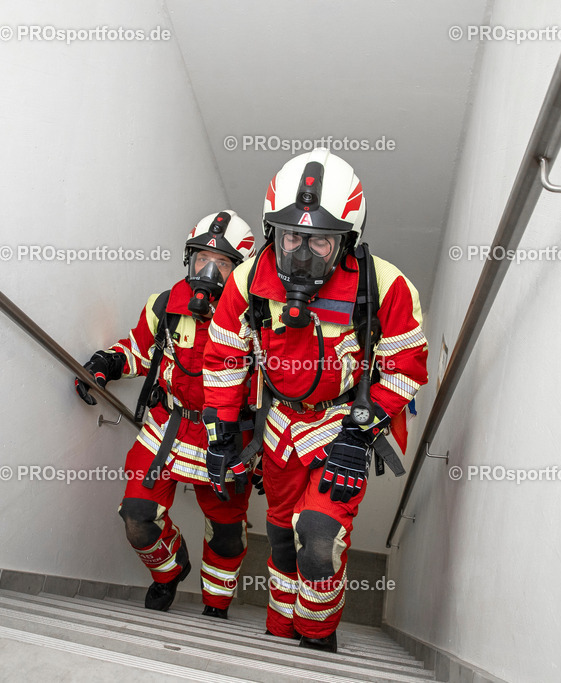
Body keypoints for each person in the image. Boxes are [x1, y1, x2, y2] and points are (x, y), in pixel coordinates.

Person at [202, 149, 429, 651]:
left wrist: (359, 434)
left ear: (347, 239)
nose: (301, 255)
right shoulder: (247, 283)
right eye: (290, 238)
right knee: (282, 536)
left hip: (343, 426)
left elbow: (406, 367)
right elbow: (224, 359)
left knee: (319, 538)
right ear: (271, 232)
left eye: (320, 241)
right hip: (280, 426)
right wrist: (220, 434)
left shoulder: (385, 286)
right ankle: (280, 629)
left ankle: (317, 635)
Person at [76, 210, 257, 617]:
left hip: (225, 438)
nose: (208, 272)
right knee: (138, 517)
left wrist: (264, 449)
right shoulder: (165, 305)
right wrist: (106, 363)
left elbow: (270, 388)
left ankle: (216, 605)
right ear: (188, 259)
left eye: (223, 265)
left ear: (241, 272)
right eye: (201, 260)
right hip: (167, 428)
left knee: (227, 534)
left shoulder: (257, 319)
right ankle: (169, 573)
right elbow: (140, 350)